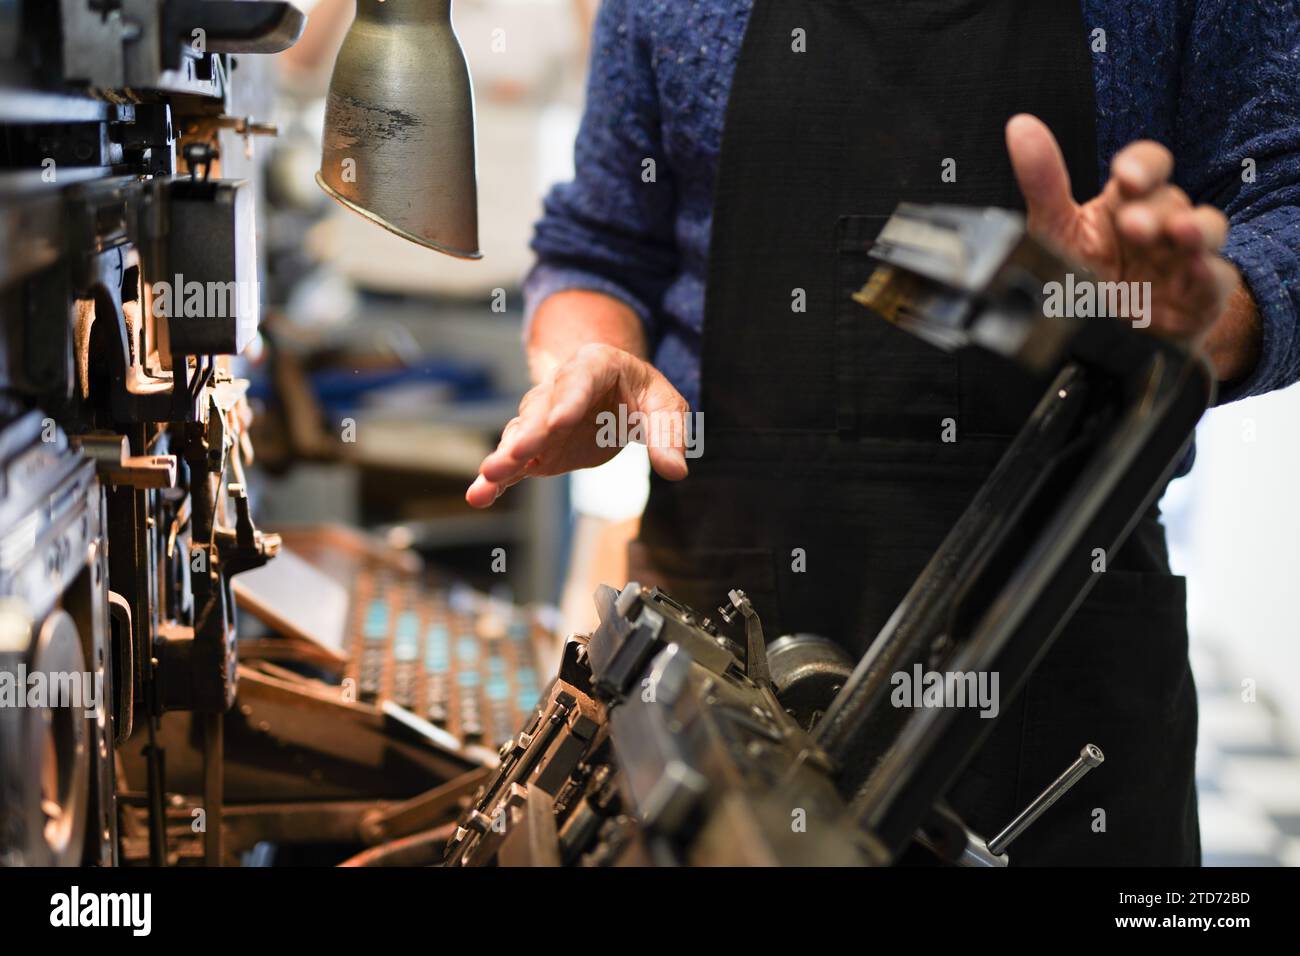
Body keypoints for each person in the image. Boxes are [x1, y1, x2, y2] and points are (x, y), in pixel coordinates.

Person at [467, 1, 1300, 865]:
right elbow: (598, 245)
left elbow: (1287, 207)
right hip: (713, 664)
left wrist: (1186, 315)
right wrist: (591, 354)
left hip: (1057, 684)